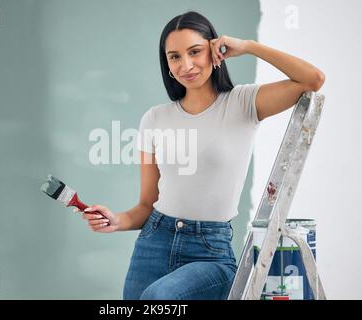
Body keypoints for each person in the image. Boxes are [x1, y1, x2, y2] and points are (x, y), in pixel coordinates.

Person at [75, 11, 325, 300]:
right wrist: (116, 220)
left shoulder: (243, 103)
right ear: (167, 64)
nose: (186, 65)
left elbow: (313, 79)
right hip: (154, 240)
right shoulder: (154, 118)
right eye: (175, 57)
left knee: (159, 297)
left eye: (195, 51)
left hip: (211, 252)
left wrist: (247, 46)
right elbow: (146, 204)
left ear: (215, 50)